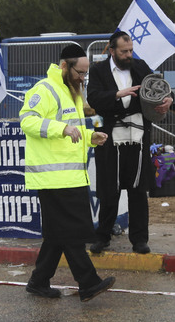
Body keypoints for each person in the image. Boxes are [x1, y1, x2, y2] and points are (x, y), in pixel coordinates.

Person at [20, 44, 115, 302]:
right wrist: (60, 129)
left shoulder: (72, 91)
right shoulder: (44, 89)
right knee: (71, 232)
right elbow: (27, 121)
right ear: (65, 66)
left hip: (70, 176)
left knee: (57, 234)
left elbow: (72, 130)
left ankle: (38, 281)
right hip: (52, 177)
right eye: (80, 73)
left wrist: (89, 136)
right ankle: (88, 283)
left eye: (85, 74)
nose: (83, 78)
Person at [87, 31, 173, 254]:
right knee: (109, 189)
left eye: (130, 50)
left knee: (138, 189)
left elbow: (159, 90)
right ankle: (103, 236)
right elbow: (94, 99)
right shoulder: (98, 71)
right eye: (124, 51)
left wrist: (167, 101)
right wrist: (118, 94)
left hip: (138, 139)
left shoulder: (140, 66)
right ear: (111, 50)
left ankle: (139, 240)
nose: (128, 55)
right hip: (109, 139)